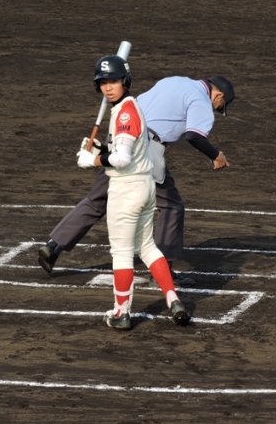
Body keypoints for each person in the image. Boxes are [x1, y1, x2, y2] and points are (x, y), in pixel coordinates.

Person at [39, 68, 235, 287]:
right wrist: (215, 155)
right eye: (219, 106)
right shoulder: (201, 99)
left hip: (122, 136)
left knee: (98, 200)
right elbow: (194, 135)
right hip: (145, 150)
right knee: (171, 205)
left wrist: (108, 147)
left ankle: (53, 246)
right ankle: (163, 272)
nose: (215, 109)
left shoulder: (174, 81)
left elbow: (131, 107)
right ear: (218, 95)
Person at [75, 55, 190, 330]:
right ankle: (173, 299)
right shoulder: (128, 107)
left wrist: (93, 160)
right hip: (145, 187)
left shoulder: (125, 113)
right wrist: (102, 149)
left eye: (113, 81)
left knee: (122, 253)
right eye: (103, 82)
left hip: (126, 190)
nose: (107, 87)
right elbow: (125, 149)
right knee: (147, 247)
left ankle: (121, 313)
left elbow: (123, 159)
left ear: (125, 81)